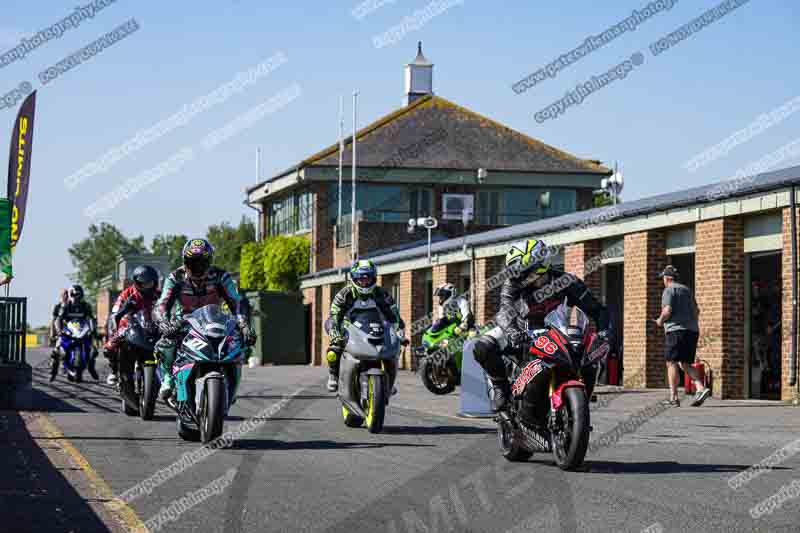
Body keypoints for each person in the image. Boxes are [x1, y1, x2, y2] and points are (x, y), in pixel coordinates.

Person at [472, 239, 614, 412]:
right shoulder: (512, 283)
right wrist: (512, 331)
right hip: (521, 330)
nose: (518, 275)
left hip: (557, 332)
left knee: (589, 357)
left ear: (540, 264)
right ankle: (500, 388)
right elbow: (504, 311)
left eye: (522, 270)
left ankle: (580, 396)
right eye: (515, 270)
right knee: (483, 345)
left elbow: (598, 310)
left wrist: (604, 333)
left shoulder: (566, 281)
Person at [154, 238, 256, 400]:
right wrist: (164, 323)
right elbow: (162, 305)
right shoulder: (175, 278)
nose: (197, 267)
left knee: (237, 344)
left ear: (209, 262)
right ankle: (168, 377)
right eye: (192, 262)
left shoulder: (221, 276)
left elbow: (236, 302)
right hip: (184, 324)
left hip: (214, 322)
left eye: (202, 263)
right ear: (185, 262)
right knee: (166, 343)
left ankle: (230, 385)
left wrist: (243, 324)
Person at [324, 259, 405, 393]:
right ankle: (333, 374)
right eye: (361, 278)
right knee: (335, 346)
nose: (364, 282)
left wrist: (398, 330)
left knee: (394, 350)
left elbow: (394, 315)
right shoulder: (344, 294)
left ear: (374, 279)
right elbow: (335, 314)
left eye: (368, 278)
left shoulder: (381, 294)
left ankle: (390, 382)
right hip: (348, 324)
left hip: (373, 326)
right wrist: (335, 331)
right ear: (354, 279)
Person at [654, 265, 710, 407]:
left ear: (667, 278)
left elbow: (667, 310)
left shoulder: (669, 290)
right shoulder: (687, 290)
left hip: (676, 331)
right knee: (684, 363)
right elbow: (697, 311)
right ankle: (700, 388)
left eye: (663, 278)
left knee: (671, 362)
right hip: (692, 331)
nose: (663, 281)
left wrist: (660, 321)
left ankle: (673, 398)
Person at [103, 265, 160, 386]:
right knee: (109, 348)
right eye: (145, 283)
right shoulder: (127, 293)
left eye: (151, 282)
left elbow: (169, 308)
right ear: (138, 283)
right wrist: (124, 309)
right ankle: (114, 370)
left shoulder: (158, 294)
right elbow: (114, 313)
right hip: (130, 327)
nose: (149, 286)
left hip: (153, 328)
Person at [51, 285, 98, 381]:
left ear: (82, 295)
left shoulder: (86, 306)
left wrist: (93, 330)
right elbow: (58, 320)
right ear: (70, 294)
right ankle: (54, 371)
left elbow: (91, 319)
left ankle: (91, 367)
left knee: (94, 350)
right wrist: (59, 331)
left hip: (83, 330)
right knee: (56, 350)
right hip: (68, 330)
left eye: (78, 294)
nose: (76, 296)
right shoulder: (65, 306)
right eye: (74, 294)